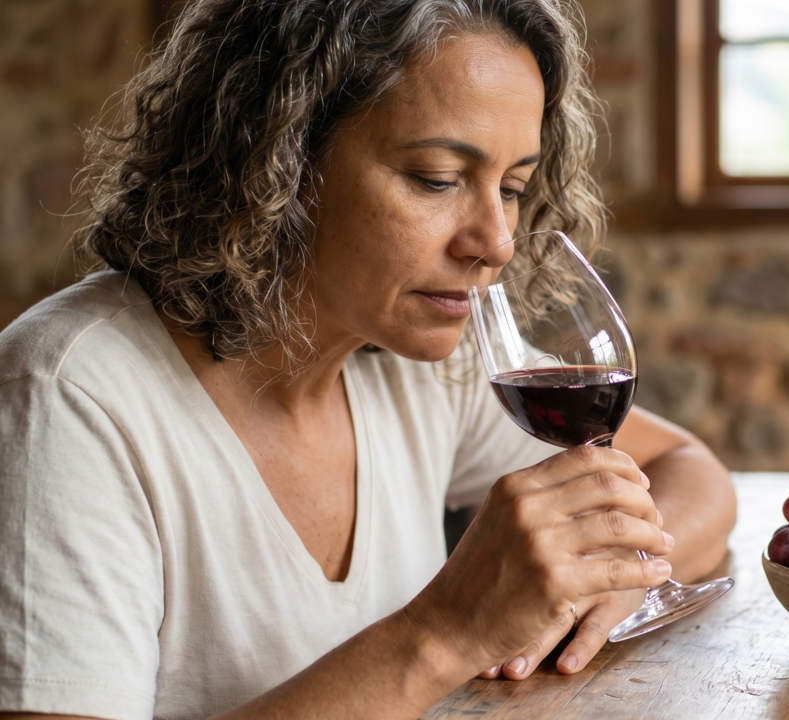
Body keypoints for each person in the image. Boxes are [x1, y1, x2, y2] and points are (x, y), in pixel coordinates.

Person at [0, 1, 736, 718]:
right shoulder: (66, 398)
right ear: (277, 158)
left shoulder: (417, 362)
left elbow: (690, 471)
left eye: (511, 188)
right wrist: (445, 630)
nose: (498, 241)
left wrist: (613, 578)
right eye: (439, 178)